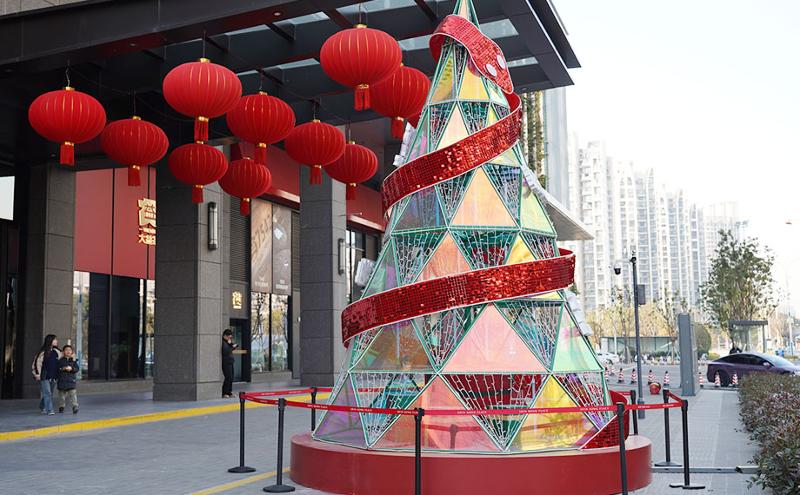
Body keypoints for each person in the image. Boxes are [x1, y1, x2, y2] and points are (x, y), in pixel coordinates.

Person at [31, 334, 61, 415]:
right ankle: (50, 410)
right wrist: (37, 374)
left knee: (49, 393)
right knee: (47, 393)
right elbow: (37, 364)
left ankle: (42, 406)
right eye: (55, 339)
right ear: (50, 341)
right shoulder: (42, 352)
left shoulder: (57, 352)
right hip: (44, 376)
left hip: (54, 376)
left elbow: (63, 360)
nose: (56, 341)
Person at [56, 344, 79, 414]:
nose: (68, 351)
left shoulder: (73, 361)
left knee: (73, 395)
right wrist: (63, 368)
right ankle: (61, 406)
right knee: (62, 396)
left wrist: (71, 369)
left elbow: (77, 369)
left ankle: (75, 406)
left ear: (72, 352)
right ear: (63, 352)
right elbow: (57, 369)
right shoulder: (60, 360)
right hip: (62, 381)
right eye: (66, 350)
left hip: (71, 381)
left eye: (70, 350)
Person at [221, 329, 237, 398]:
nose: (229, 338)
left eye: (230, 337)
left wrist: (232, 345)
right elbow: (225, 351)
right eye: (229, 337)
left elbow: (230, 350)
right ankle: (224, 393)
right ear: (225, 336)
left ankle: (229, 392)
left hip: (230, 361)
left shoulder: (227, 342)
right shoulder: (223, 343)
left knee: (231, 377)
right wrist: (231, 346)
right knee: (228, 377)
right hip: (226, 362)